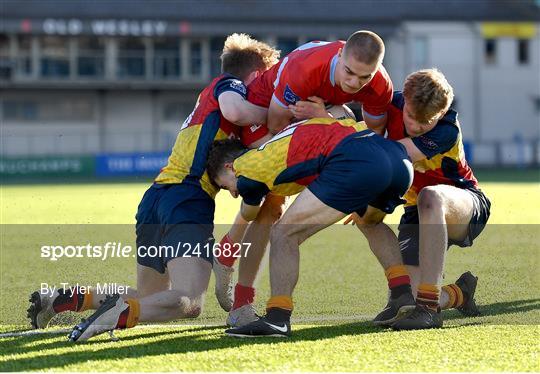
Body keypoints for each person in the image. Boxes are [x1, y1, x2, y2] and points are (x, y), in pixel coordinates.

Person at [26, 33, 280, 341]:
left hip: (156, 199)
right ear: (255, 75)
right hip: (186, 199)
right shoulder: (230, 85)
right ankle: (117, 313)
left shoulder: (206, 106)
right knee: (187, 301)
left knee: (149, 296)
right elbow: (237, 111)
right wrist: (276, 115)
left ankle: (64, 298)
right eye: (265, 80)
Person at [216, 30, 395, 326]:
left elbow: (372, 135)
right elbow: (275, 123)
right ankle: (239, 290)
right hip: (270, 126)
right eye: (349, 72)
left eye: (363, 78)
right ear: (339, 56)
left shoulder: (380, 85)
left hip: (310, 126)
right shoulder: (305, 67)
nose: (353, 83)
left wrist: (324, 116)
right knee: (271, 206)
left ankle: (402, 292)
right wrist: (325, 117)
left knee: (357, 192)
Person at [206, 116, 415, 337]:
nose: (232, 193)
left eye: (224, 185)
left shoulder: (245, 169)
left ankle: (277, 317)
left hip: (355, 160)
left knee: (283, 233)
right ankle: (401, 293)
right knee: (369, 221)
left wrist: (226, 250)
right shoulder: (279, 140)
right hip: (397, 159)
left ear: (229, 166)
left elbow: (249, 213)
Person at [349, 69, 490, 330]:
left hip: (465, 204)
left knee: (430, 196)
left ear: (441, 112)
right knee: (362, 213)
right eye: (411, 116)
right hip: (416, 211)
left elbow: (394, 153)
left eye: (425, 123)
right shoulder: (390, 104)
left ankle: (428, 310)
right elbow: (352, 117)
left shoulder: (446, 128)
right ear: (405, 101)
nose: (415, 126)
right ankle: (457, 294)